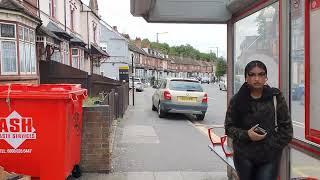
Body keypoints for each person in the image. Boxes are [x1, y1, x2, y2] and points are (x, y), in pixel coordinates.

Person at [224, 60, 293, 180]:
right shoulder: (237, 100)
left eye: (261, 74)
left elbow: (287, 130)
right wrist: (247, 135)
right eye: (252, 75)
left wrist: (271, 147)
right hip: (243, 157)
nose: (257, 78)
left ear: (266, 77)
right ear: (246, 78)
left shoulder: (275, 97)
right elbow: (229, 128)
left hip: (269, 157)